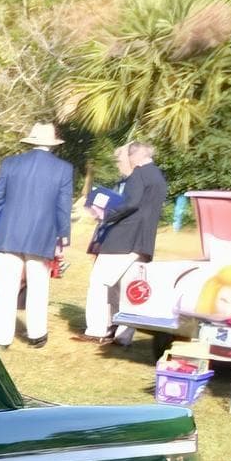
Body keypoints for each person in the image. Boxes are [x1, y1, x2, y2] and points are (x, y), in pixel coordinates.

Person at [0, 122, 75, 349]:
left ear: (31, 141)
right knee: (38, 286)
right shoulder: (63, 169)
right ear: (52, 144)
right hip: (42, 235)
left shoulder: (11, 163)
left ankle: (1, 339)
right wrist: (64, 236)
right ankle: (36, 335)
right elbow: (63, 206)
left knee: (6, 289)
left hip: (8, 233)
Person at [84, 140, 168, 344]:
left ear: (135, 156)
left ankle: (97, 329)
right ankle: (123, 335)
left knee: (100, 282)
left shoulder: (138, 174)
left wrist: (107, 215)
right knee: (127, 288)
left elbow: (131, 203)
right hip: (144, 240)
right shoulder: (158, 176)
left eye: (128, 157)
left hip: (123, 238)